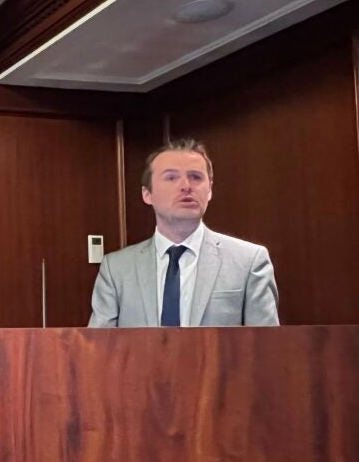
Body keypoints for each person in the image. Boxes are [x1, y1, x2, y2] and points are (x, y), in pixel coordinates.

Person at [88, 138, 279, 327]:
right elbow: (99, 350)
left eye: (195, 177)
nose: (186, 186)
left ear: (210, 190)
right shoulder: (116, 268)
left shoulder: (249, 261)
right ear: (147, 194)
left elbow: (266, 348)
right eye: (171, 177)